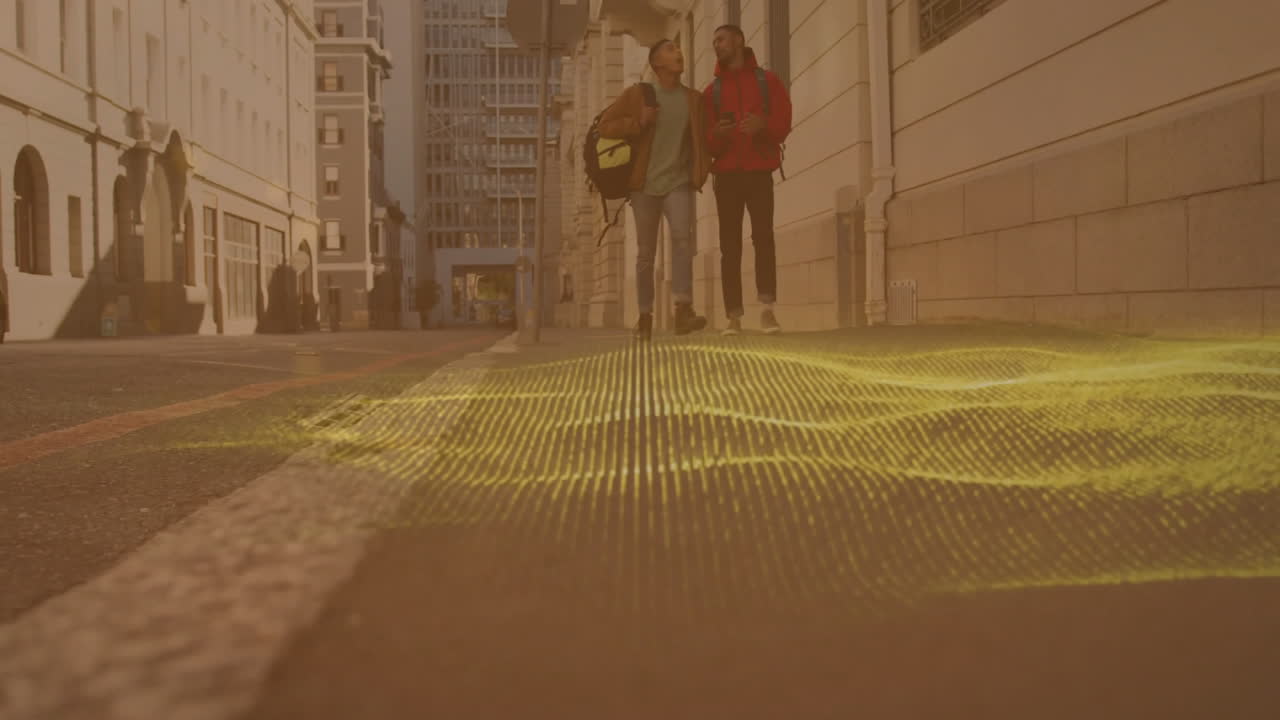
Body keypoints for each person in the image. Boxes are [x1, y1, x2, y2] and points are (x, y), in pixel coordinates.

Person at [598, 38, 713, 341]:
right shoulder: (639, 94)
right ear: (657, 63)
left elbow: (701, 139)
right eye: (671, 50)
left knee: (682, 241)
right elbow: (605, 126)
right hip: (644, 185)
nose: (680, 53)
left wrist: (699, 168)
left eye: (679, 49)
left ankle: (682, 309)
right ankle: (645, 315)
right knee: (646, 254)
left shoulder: (693, 99)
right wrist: (637, 122)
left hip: (678, 182)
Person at [704, 24, 793, 335]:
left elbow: (783, 123)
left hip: (758, 171)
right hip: (726, 176)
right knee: (729, 247)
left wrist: (762, 126)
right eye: (714, 41)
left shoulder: (768, 81)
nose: (716, 45)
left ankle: (768, 311)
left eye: (721, 39)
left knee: (763, 238)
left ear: (739, 40)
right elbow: (705, 141)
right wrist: (718, 135)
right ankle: (733, 317)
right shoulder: (711, 91)